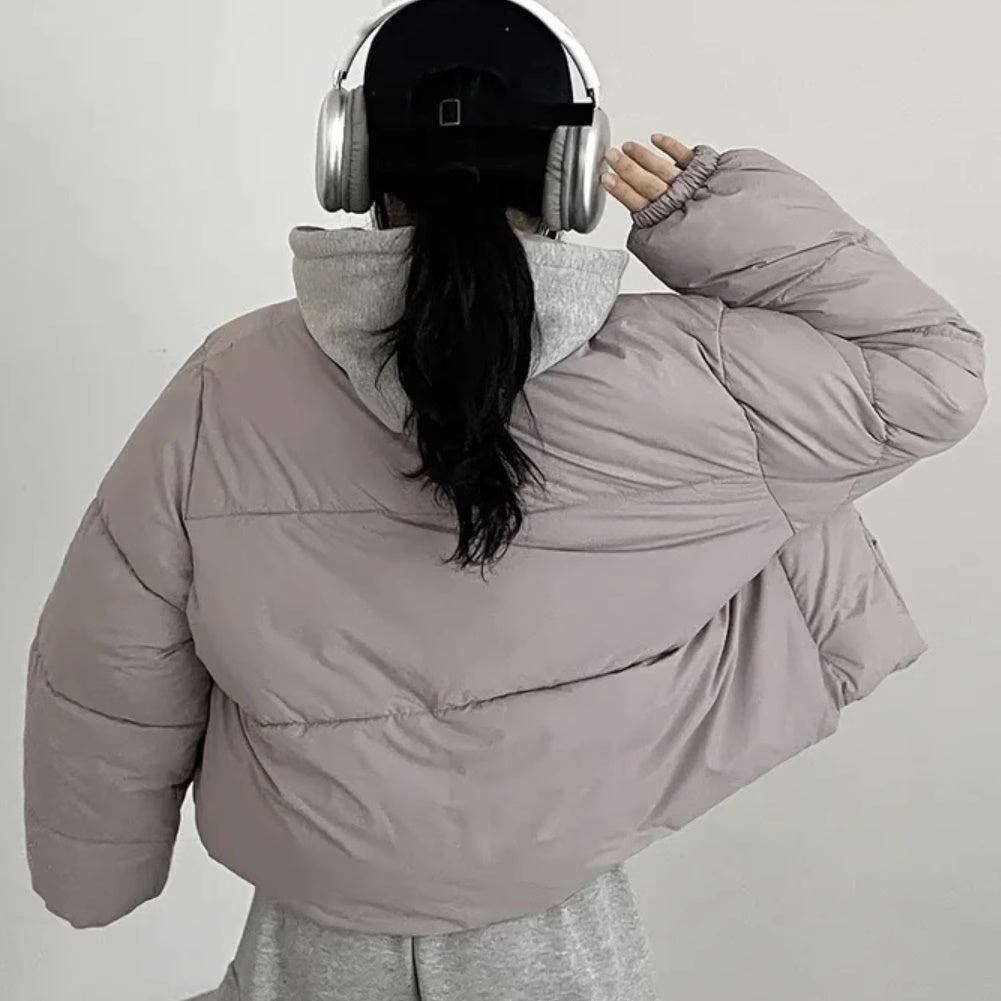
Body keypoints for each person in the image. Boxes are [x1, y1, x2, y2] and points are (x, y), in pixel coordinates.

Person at [22, 1, 987, 999]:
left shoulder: (228, 382)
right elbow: (931, 373)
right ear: (570, 167)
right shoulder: (696, 376)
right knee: (791, 508)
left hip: (312, 936)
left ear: (349, 161)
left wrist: (94, 875)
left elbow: (109, 652)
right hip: (558, 930)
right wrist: (707, 209)